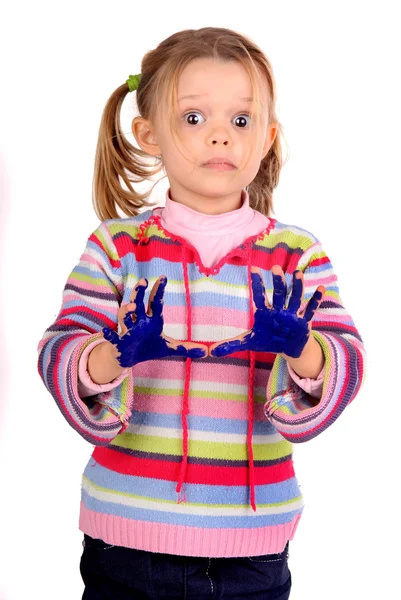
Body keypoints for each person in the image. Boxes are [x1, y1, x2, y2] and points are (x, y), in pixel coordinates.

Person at [37, 26, 366, 599]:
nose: (220, 137)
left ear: (265, 138)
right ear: (149, 133)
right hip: (128, 541)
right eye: (194, 119)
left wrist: (302, 347)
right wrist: (112, 355)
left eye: (240, 121)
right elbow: (59, 351)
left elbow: (347, 366)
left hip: (252, 551)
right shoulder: (119, 248)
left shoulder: (296, 256)